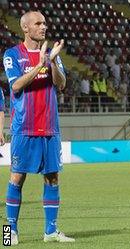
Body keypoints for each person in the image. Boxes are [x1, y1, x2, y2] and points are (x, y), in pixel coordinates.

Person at [3, 11, 74, 244]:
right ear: (25, 27)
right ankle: (9, 232)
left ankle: (51, 231)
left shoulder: (52, 54)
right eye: (38, 23)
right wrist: (39, 65)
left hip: (50, 127)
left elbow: (61, 84)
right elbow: (16, 86)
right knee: (16, 178)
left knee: (52, 178)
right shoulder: (13, 54)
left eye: (44, 23)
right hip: (24, 127)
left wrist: (51, 61)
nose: (44, 26)